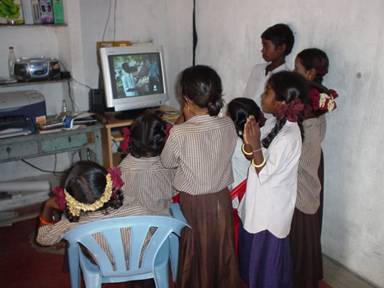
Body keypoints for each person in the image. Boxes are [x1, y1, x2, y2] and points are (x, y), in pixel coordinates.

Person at [161, 65, 241, 288]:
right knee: (220, 246)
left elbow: (166, 162)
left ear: (186, 100)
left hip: (194, 202)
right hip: (221, 199)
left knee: (196, 249)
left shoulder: (181, 132)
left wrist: (182, 120)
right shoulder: (228, 124)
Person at [238, 71, 309, 288]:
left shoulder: (289, 137)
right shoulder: (272, 124)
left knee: (268, 267)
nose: (262, 95)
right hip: (260, 202)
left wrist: (255, 144)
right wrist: (250, 140)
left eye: (267, 91)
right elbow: (253, 154)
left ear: (281, 102)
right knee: (253, 261)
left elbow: (266, 173)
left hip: (271, 211)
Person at [290, 48, 338, 288]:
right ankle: (306, 270)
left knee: (303, 216)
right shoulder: (319, 94)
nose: (293, 71)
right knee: (307, 217)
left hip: (305, 162)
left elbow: (305, 135)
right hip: (314, 158)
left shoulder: (309, 99)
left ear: (309, 72)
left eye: (297, 68)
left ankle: (302, 275)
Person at [36, 160, 147, 246]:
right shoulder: (138, 208)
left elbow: (43, 239)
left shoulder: (71, 225)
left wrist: (48, 206)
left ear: (71, 199)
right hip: (144, 262)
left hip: (104, 267)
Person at [119, 111, 175, 215]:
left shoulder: (124, 164)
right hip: (160, 224)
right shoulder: (164, 166)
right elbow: (173, 190)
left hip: (133, 223)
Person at [243, 23, 294, 113]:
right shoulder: (257, 69)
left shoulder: (286, 78)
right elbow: (246, 97)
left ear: (281, 48)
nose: (262, 50)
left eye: (266, 46)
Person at [227, 98, 266, 190]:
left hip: (238, 195)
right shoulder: (258, 134)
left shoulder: (235, 143)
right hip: (250, 188)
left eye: (227, 115)